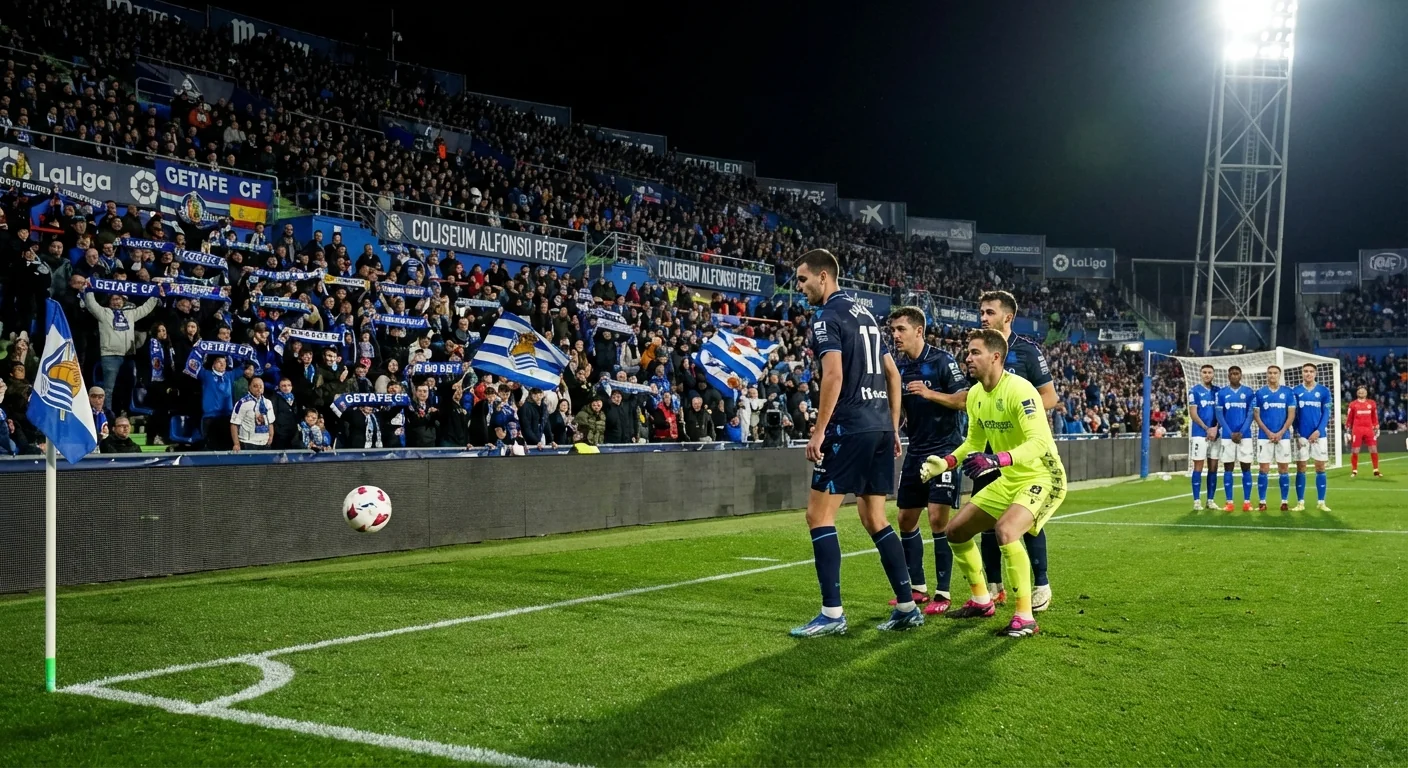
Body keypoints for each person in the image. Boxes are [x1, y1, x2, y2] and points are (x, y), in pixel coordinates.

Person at [789, 249, 913, 638]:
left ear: (824, 277)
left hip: (850, 426)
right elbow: (892, 373)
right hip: (877, 427)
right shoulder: (867, 316)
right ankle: (908, 607)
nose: (800, 288)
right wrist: (892, 427)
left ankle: (831, 614)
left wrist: (819, 429)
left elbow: (833, 376)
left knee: (818, 516)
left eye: (803, 280)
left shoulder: (827, 318)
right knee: (875, 519)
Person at [920, 329, 1067, 638]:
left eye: (974, 352)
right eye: (967, 352)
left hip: (1042, 476)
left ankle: (1025, 616)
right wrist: (946, 462)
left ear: (995, 357)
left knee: (1006, 531)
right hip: (1010, 477)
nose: (967, 358)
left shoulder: (1021, 390)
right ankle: (981, 600)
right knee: (956, 531)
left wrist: (997, 459)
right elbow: (974, 441)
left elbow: (1039, 443)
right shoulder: (975, 395)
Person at [974, 290, 1058, 612]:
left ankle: (1041, 584)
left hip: (1022, 452)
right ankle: (993, 586)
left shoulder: (1026, 351)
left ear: (1007, 317)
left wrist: (1017, 414)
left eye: (990, 312)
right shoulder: (978, 351)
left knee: (1029, 518)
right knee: (985, 517)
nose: (984, 317)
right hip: (988, 449)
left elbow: (1049, 397)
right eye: (981, 311)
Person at [889, 306, 968, 616]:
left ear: (918, 331)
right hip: (916, 449)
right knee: (905, 519)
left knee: (937, 519)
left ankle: (944, 592)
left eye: (901, 329)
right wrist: (895, 429)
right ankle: (917, 587)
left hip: (944, 449)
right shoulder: (898, 367)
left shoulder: (942, 361)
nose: (895, 335)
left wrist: (930, 394)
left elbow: (963, 400)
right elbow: (901, 407)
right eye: (893, 329)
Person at [1252, 365, 1295, 511]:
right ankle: (1262, 502)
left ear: (1279, 375)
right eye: (1270, 373)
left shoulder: (1288, 392)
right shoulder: (1260, 393)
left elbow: (1291, 415)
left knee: (1283, 468)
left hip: (1284, 436)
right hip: (1264, 436)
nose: (1272, 375)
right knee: (1264, 468)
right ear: (1267, 375)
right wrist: (1269, 432)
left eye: (1275, 373)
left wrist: (1282, 432)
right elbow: (1256, 415)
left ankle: (1284, 501)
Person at [1291, 362, 1332, 511]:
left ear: (1315, 373)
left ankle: (1321, 502)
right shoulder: (1295, 391)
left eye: (1311, 371)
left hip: (1319, 435)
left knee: (1320, 466)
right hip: (1301, 435)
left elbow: (1326, 413)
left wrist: (1319, 430)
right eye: (1305, 371)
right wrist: (1297, 431)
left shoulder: (1323, 391)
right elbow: (1293, 415)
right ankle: (1300, 502)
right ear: (1302, 373)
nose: (1308, 374)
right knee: (1301, 467)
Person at [1215, 365, 1256, 512]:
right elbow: (1219, 415)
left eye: (1236, 373)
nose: (1234, 375)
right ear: (1228, 376)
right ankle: (1229, 502)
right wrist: (1230, 432)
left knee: (1246, 468)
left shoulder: (1249, 392)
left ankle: (1247, 502)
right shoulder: (1221, 393)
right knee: (1228, 468)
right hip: (1227, 437)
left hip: (1245, 437)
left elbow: (1251, 414)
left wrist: (1242, 432)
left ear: (1241, 375)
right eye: (1231, 373)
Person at [1188, 364, 1221, 511]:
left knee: (1213, 467)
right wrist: (1207, 429)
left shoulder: (1218, 392)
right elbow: (1193, 414)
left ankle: (1210, 500)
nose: (1207, 375)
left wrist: (1216, 428)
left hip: (1216, 434)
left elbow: (1221, 413)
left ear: (1213, 374)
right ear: (1201, 374)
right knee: (1198, 467)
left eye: (1209, 372)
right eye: (1204, 372)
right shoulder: (1194, 391)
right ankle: (1196, 501)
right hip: (1199, 434)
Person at [1345, 385, 1382, 478]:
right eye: (1359, 391)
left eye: (1363, 391)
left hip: (1369, 429)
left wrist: (1376, 426)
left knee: (1373, 449)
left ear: (1366, 392)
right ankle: (1354, 470)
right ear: (1357, 393)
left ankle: (1376, 470)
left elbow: (1374, 416)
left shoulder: (1372, 403)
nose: (1361, 392)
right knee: (1355, 450)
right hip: (1357, 430)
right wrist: (1347, 428)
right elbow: (1349, 417)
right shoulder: (1353, 404)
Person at [230, 377, 275, 452]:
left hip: (265, 443)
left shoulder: (268, 403)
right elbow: (234, 424)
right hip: (248, 443)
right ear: (249, 387)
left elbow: (270, 422)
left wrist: (270, 436)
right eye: (255, 386)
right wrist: (236, 444)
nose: (258, 389)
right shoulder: (242, 403)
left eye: (261, 386)